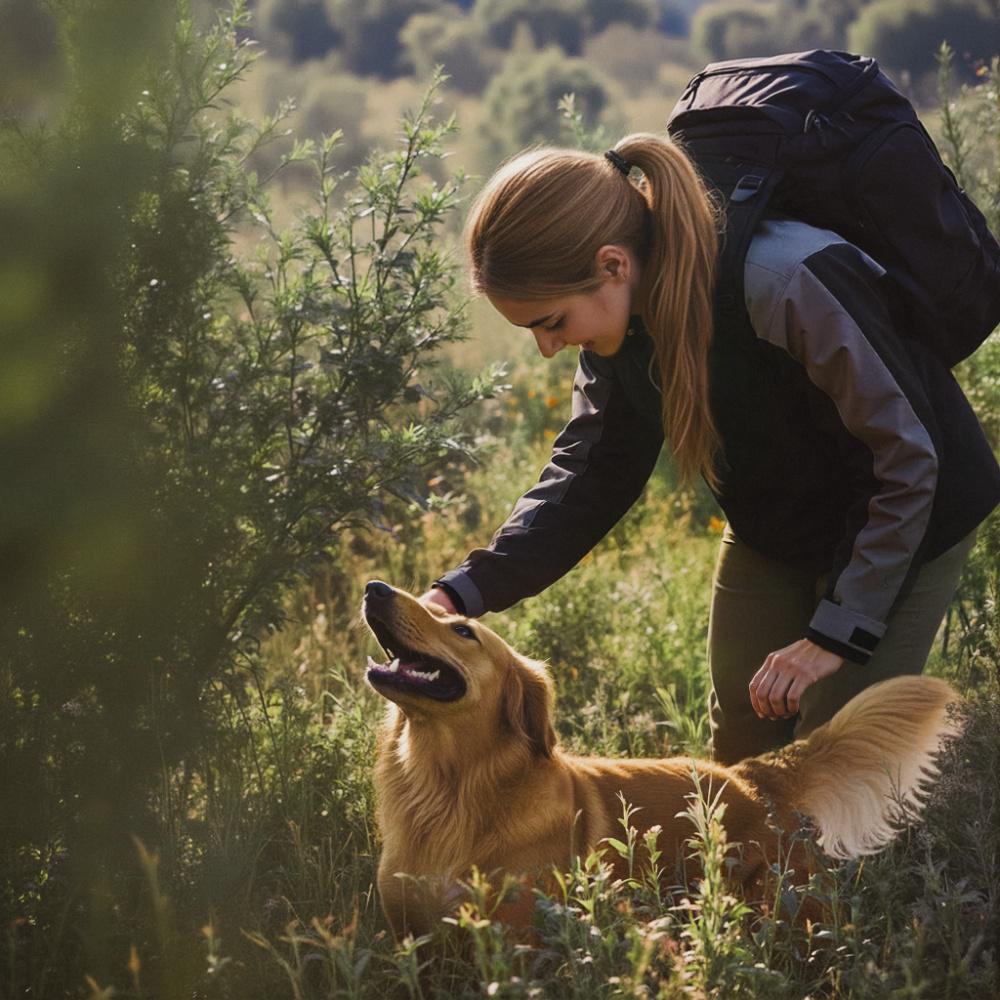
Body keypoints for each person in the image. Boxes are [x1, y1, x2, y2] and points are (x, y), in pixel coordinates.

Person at [420, 134, 1000, 765]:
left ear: (613, 265)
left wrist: (835, 634)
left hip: (906, 515)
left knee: (835, 760)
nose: (548, 349)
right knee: (740, 754)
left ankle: (870, 863)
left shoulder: (784, 281)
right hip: (775, 524)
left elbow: (910, 461)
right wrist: (462, 592)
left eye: (552, 322)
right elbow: (588, 478)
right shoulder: (617, 336)